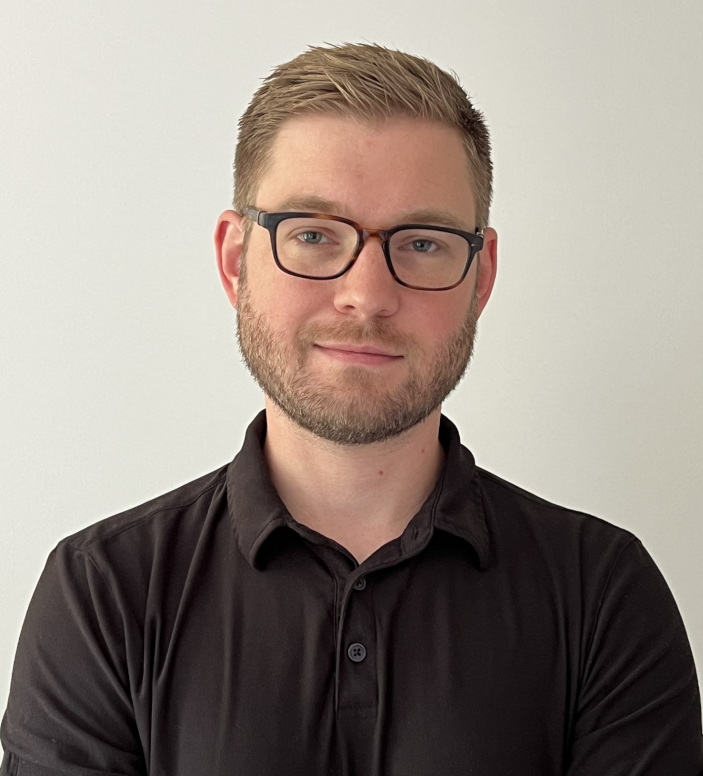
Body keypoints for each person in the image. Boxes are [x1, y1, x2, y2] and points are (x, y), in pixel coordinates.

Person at [1, 42, 701, 776]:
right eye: (312, 235)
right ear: (236, 261)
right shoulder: (104, 593)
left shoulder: (602, 593)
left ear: (481, 276)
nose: (366, 296)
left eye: (422, 242)